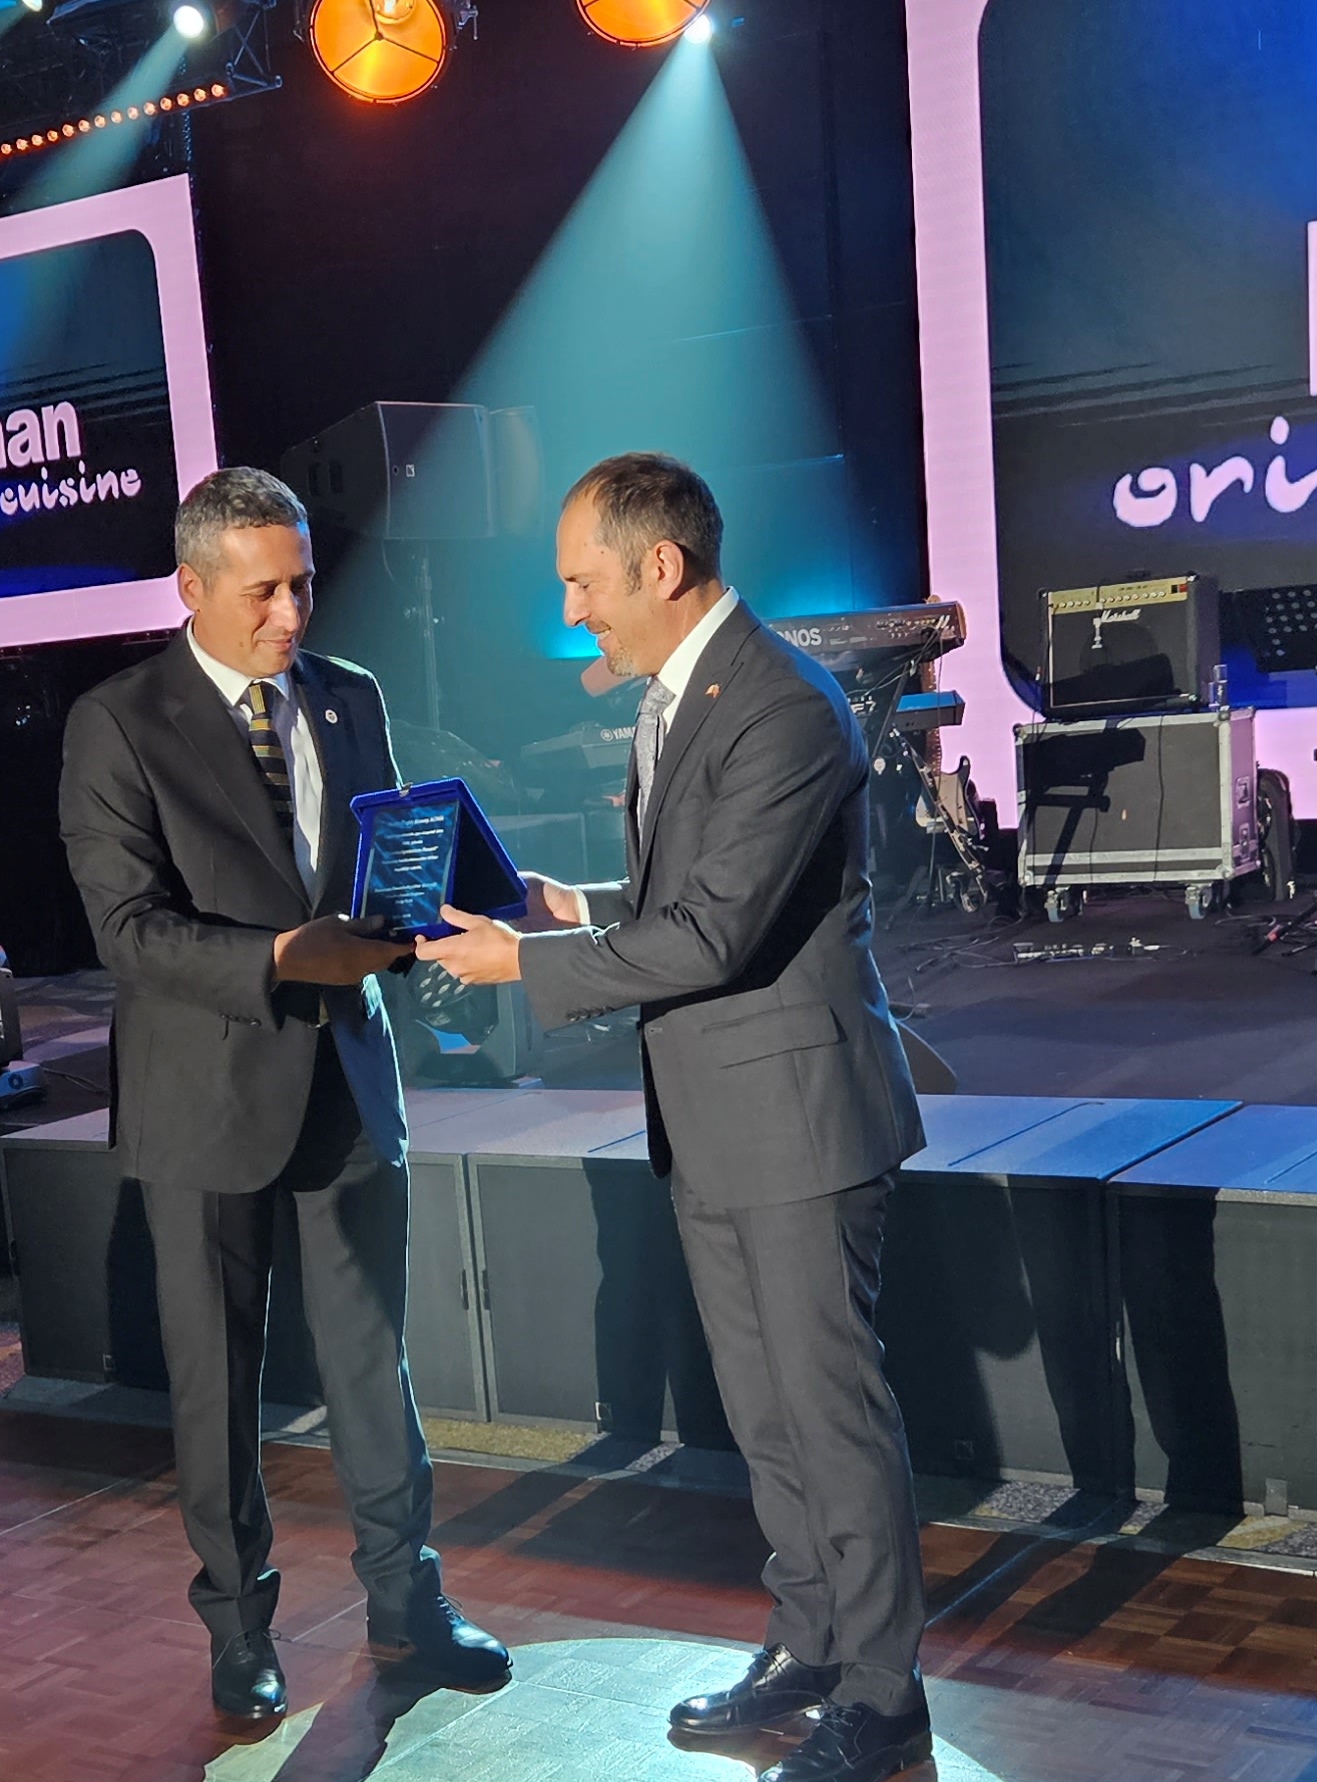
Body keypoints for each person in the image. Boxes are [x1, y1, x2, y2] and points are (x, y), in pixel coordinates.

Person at [424, 453, 932, 1782]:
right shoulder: (683, 696)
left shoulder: (782, 706)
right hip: (713, 1118)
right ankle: (809, 1642)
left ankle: (884, 1693)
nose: (572, 611)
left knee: (829, 1415)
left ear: (660, 566)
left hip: (797, 1120)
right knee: (766, 1414)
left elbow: (713, 934)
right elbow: (684, 902)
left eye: (581, 582)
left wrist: (526, 964)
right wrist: (571, 908)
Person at [56, 467, 509, 1720]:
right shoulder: (117, 720)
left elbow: (381, 873)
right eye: (262, 591)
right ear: (190, 587)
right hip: (201, 1098)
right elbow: (127, 931)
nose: (291, 614)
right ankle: (239, 1629)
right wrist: (277, 960)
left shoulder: (349, 694)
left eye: (301, 584)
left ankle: (407, 1604)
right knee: (216, 1384)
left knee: (374, 1366)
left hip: (348, 1081)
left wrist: (430, 925)